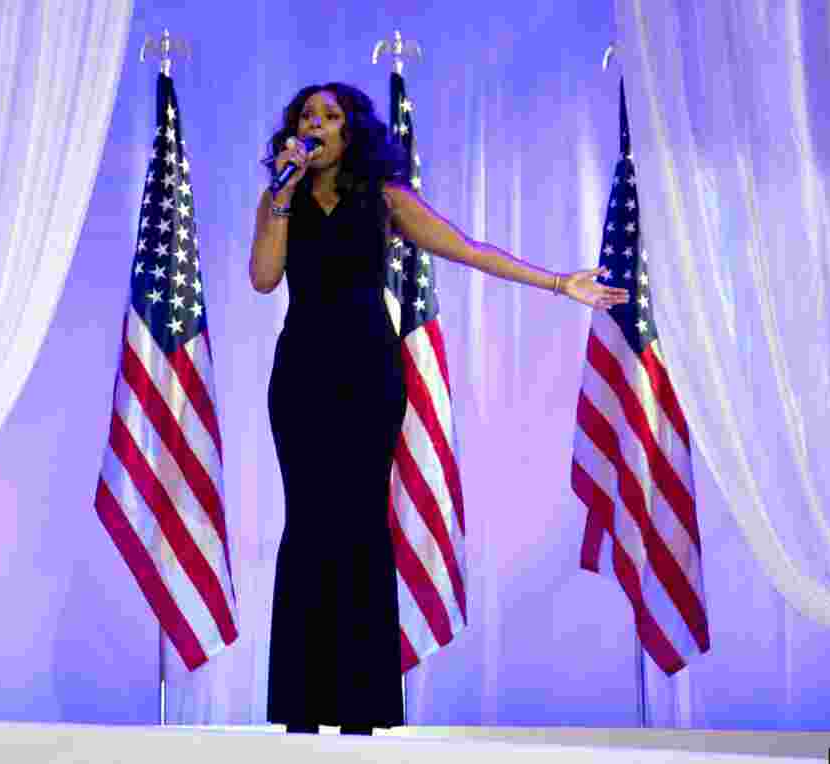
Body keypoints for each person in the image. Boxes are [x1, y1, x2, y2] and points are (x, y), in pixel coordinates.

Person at [248, 83, 628, 736]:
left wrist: (558, 282)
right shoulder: (279, 197)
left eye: (331, 117)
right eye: (307, 117)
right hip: (302, 374)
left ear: (353, 131)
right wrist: (280, 199)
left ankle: (362, 710)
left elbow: (470, 249)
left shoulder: (385, 198)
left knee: (361, 522)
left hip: (367, 371)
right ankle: (302, 709)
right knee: (308, 522)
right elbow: (262, 278)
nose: (317, 126)